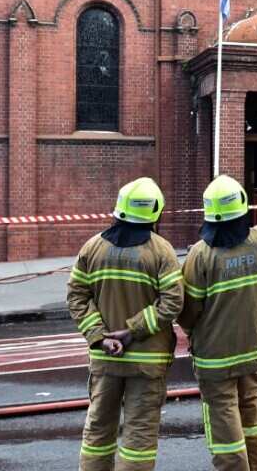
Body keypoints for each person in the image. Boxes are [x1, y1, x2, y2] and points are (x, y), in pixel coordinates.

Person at [179, 174, 257, 471]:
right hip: (254, 355)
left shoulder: (200, 255)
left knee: (225, 433)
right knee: (252, 422)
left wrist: (195, 334)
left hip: (215, 361)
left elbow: (188, 310)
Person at [67, 177, 182, 471]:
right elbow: (173, 303)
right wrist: (133, 331)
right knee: (138, 440)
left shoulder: (92, 248)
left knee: (97, 433)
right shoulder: (162, 251)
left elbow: (77, 296)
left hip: (105, 359)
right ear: (154, 212)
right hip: (148, 362)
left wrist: (100, 337)